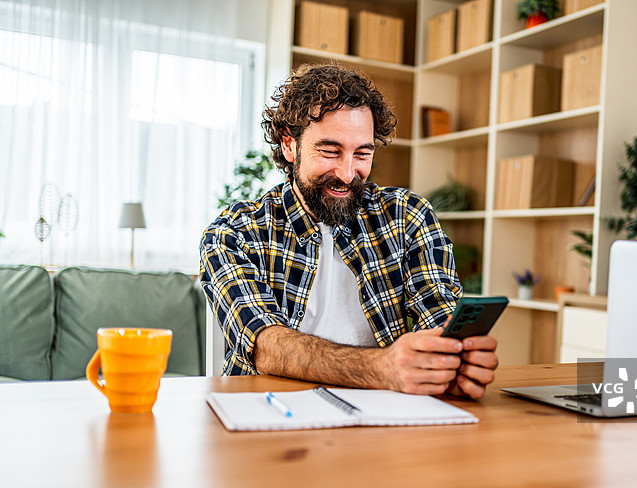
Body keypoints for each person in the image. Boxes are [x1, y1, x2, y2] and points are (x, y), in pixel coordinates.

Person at [200, 64, 498, 399]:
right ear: (289, 145)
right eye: (330, 151)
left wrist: (454, 362)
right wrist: (381, 368)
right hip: (272, 418)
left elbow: (438, 322)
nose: (346, 173)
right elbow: (266, 346)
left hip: (391, 419)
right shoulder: (235, 234)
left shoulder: (407, 216)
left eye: (362, 154)